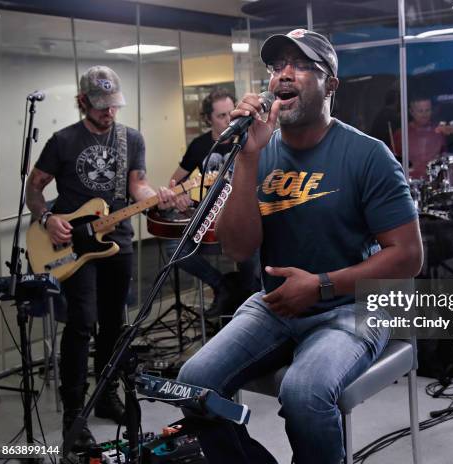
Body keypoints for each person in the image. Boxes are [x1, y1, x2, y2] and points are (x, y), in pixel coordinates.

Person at [177, 29, 422, 464]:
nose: (284, 75)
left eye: (302, 65)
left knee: (304, 393)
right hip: (275, 304)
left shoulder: (368, 155)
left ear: (331, 84)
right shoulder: (255, 152)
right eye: (277, 67)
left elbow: (408, 256)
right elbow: (238, 248)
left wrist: (322, 286)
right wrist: (248, 158)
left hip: (352, 306)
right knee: (193, 383)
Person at [26, 66, 187, 451]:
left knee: (114, 324)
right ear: (83, 102)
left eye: (113, 106)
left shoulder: (130, 138)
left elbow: (137, 185)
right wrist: (46, 219)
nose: (108, 113)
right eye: (100, 107)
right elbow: (34, 188)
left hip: (118, 243)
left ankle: (108, 394)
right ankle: (73, 412)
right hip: (73, 246)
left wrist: (157, 196)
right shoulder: (61, 141)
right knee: (81, 322)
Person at [167, 88, 259, 317]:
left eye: (231, 113)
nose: (229, 120)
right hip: (207, 225)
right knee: (174, 250)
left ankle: (249, 299)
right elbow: (174, 183)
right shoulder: (199, 146)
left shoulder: (249, 141)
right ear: (208, 119)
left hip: (241, 222)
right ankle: (222, 286)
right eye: (221, 116)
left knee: (252, 255)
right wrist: (178, 197)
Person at [393, 96, 448, 179]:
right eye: (420, 111)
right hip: (410, 183)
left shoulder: (439, 131)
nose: (424, 114)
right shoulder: (401, 133)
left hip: (434, 182)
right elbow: (393, 161)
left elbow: (444, 158)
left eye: (427, 110)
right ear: (411, 112)